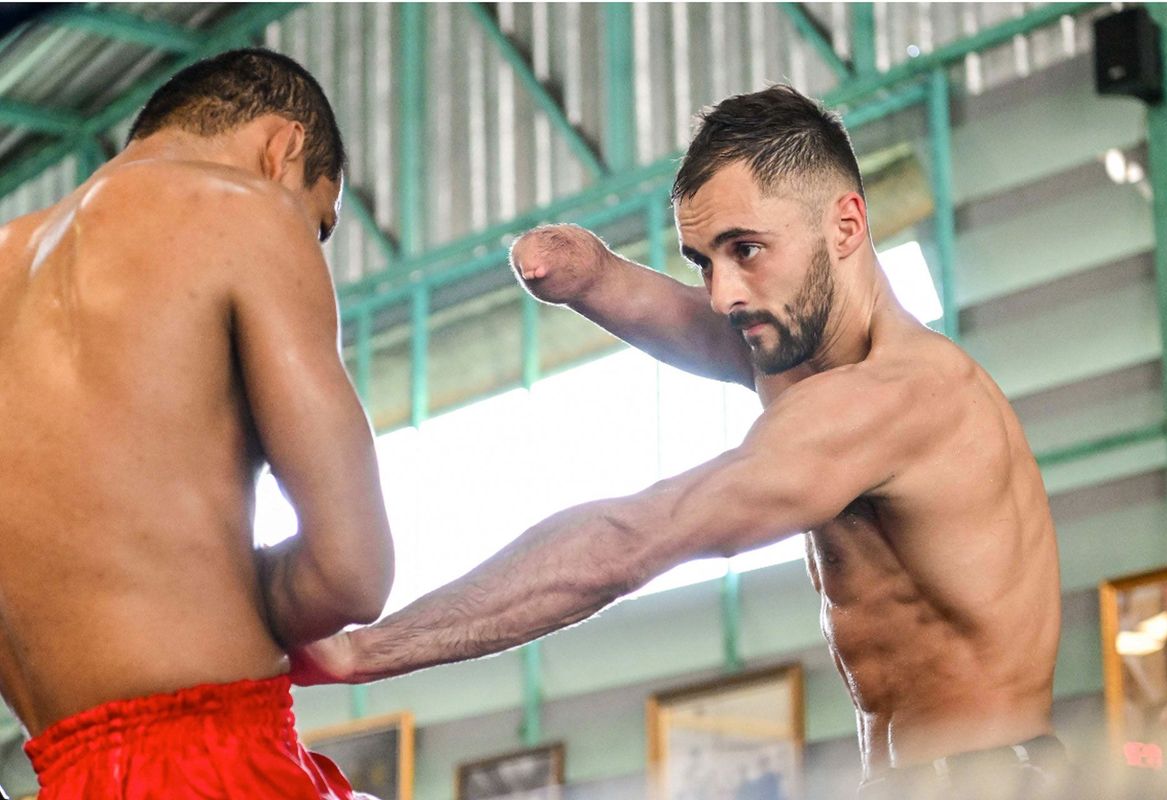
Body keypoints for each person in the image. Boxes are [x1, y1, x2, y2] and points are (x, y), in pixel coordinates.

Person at [292, 85, 1068, 798]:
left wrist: (369, 650)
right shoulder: (793, 350)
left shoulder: (901, 399)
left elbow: (633, 539)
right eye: (703, 261)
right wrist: (588, 272)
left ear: (846, 226)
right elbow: (676, 317)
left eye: (746, 249)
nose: (724, 292)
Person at [0, 49, 393, 799]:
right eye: (319, 224)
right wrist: (237, 590)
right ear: (284, 149)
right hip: (219, 760)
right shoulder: (243, 210)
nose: (306, 239)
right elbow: (351, 574)